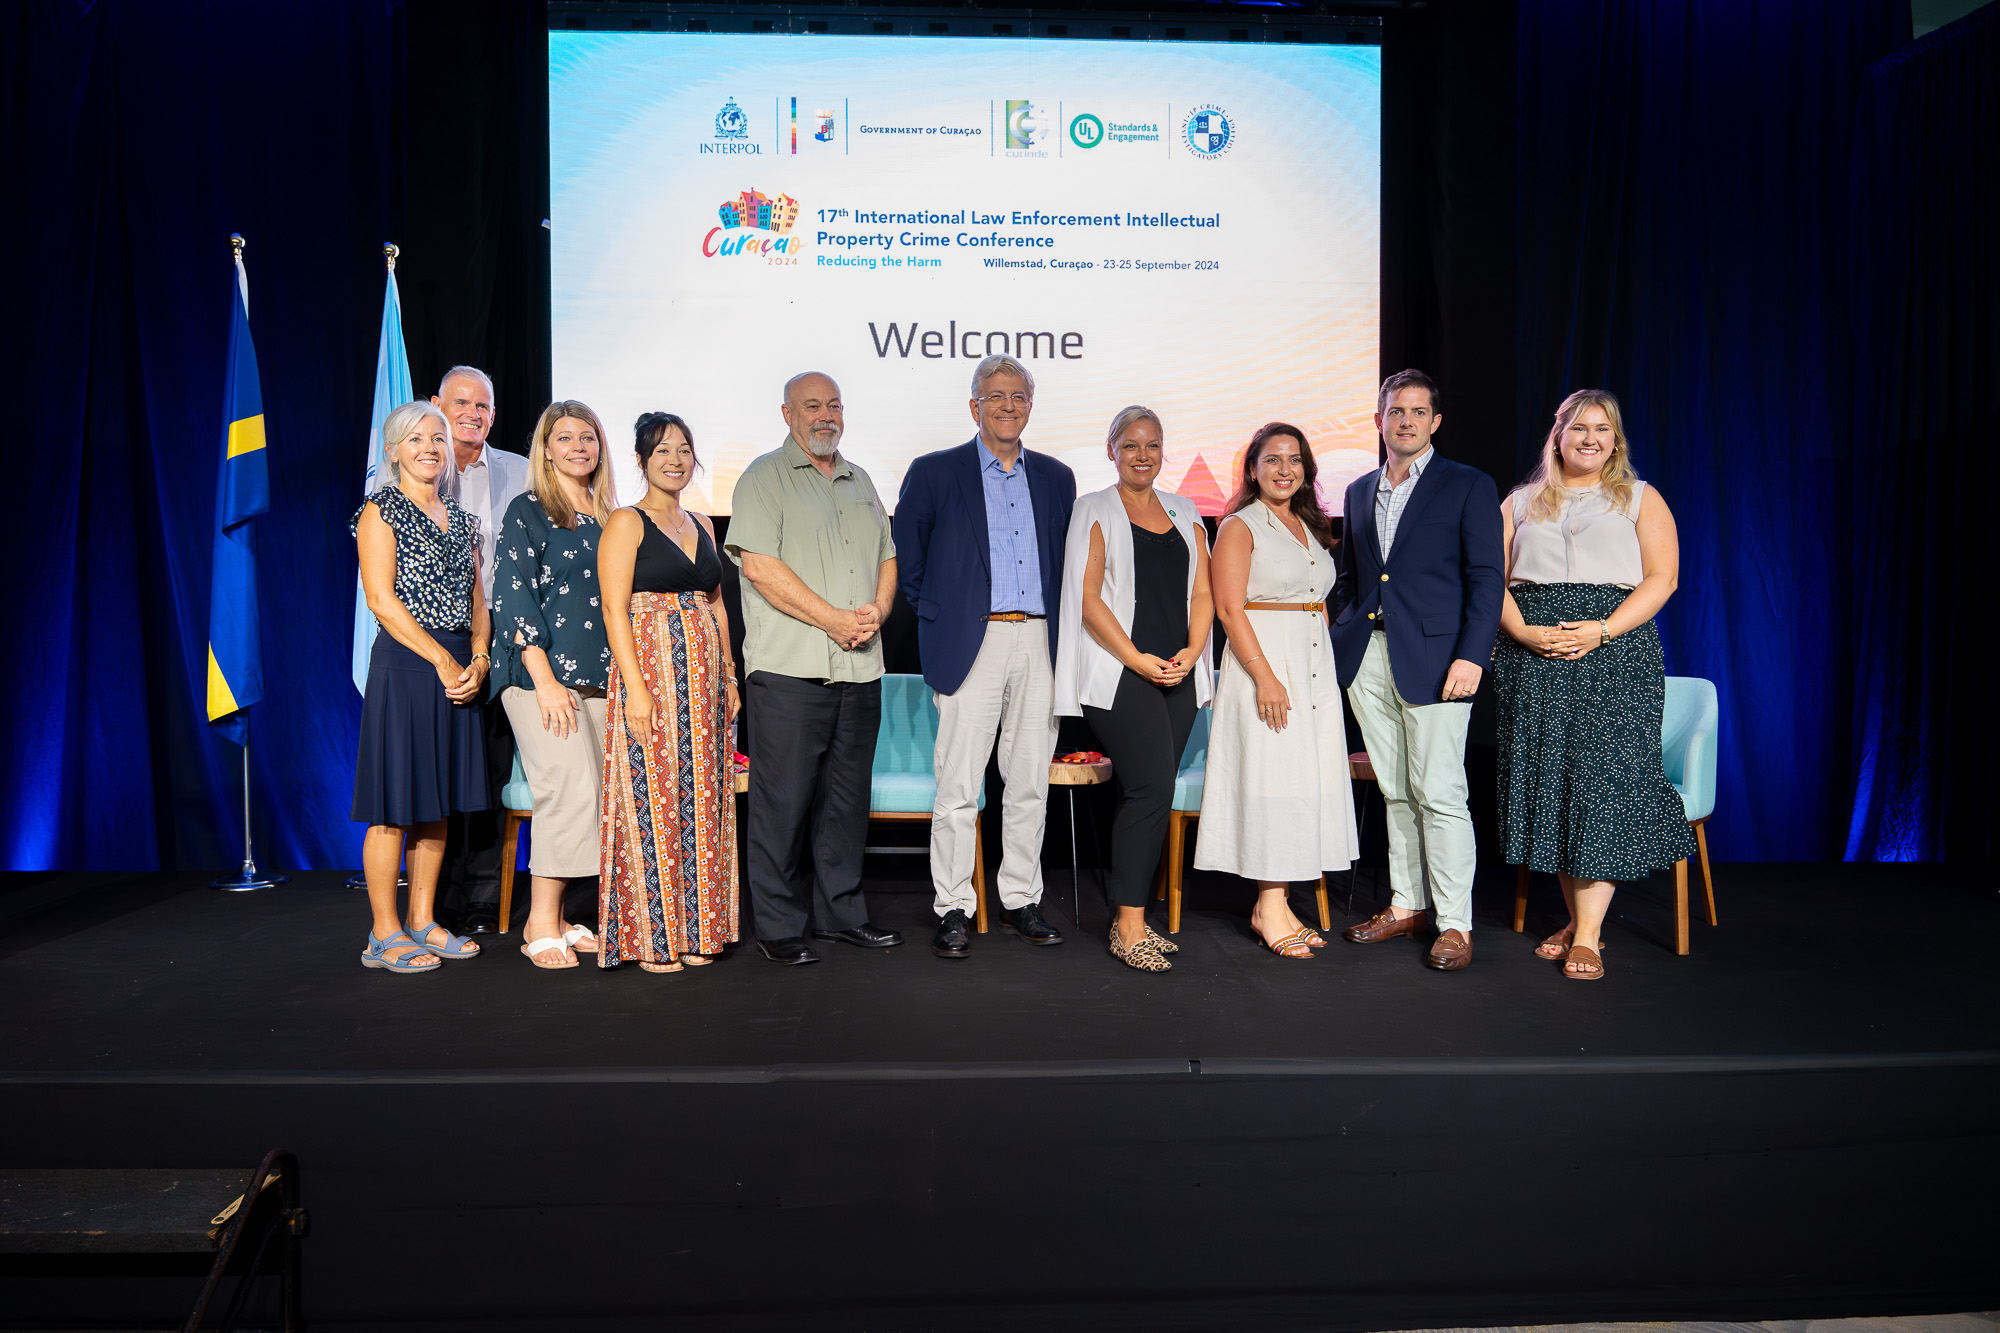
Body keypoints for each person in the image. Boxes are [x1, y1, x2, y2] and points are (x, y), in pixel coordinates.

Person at [1494, 389, 1694, 981]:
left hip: (1616, 653)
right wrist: (1526, 633)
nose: (1590, 438)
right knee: (1555, 783)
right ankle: (1580, 919)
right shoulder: (1520, 502)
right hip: (1533, 655)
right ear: (1557, 435)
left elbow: (1663, 579)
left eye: (1602, 429)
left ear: (1616, 440)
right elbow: (1490, 581)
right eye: (1579, 427)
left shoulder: (1639, 498)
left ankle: (1588, 933)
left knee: (1601, 785)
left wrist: (1602, 630)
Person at [893, 355, 1077, 959]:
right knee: (958, 785)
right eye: (995, 396)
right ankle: (953, 906)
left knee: (1028, 782)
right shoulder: (934, 472)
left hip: (1040, 640)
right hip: (971, 641)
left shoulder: (1056, 477)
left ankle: (1020, 899)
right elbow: (908, 562)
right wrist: (940, 614)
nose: (1007, 406)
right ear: (975, 406)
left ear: (1030, 406)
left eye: (1018, 397)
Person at [724, 372, 902, 965]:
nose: (824, 416)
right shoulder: (762, 478)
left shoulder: (862, 480)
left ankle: (840, 915)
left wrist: (878, 609)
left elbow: (888, 555)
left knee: (847, 804)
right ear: (786, 413)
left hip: (861, 671)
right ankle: (777, 926)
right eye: (811, 406)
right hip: (790, 672)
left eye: (833, 405)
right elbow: (760, 568)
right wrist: (833, 620)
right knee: (783, 803)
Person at [1330, 369, 1503, 971]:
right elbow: (1352, 578)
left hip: (1438, 661)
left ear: (1435, 422)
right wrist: (1342, 637)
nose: (1404, 420)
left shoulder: (1468, 485)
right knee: (1395, 790)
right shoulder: (1355, 491)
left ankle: (1455, 923)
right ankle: (1408, 905)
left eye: (1417, 411)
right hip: (1368, 659)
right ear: (1379, 419)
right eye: (1394, 411)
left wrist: (1472, 655)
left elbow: (1486, 579)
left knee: (1442, 794)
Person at [1055, 406, 1214, 973]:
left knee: (1149, 791)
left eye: (1152, 445)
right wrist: (1138, 661)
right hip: (1120, 672)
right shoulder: (1093, 508)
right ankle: (1129, 924)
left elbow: (1203, 592)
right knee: (1150, 786)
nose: (1142, 455)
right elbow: (1089, 599)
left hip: (1179, 669)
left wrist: (1193, 654)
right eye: (1130, 445)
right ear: (1111, 450)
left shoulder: (1186, 508)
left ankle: (1132, 913)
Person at [1194, 423, 1359, 957]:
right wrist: (1265, 675)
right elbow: (1227, 608)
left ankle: (1280, 902)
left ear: (1307, 469)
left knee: (1301, 781)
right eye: (1272, 460)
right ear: (1253, 469)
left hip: (1311, 664)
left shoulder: (1308, 525)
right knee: (1273, 778)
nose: (1284, 469)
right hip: (1265, 664)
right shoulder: (1240, 526)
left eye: (1294, 459)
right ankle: (1268, 906)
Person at [351, 400, 493, 973]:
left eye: (437, 439)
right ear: (394, 452)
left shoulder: (462, 520)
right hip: (409, 665)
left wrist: (478, 659)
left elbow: (478, 602)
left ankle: (423, 920)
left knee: (437, 805)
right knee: (394, 806)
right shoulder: (379, 512)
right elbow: (380, 600)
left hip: (459, 664)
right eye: (416, 440)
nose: (430, 449)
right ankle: (383, 934)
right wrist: (440, 659)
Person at [597, 412, 742, 973]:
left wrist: (728, 676)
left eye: (684, 450)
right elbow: (614, 609)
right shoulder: (626, 522)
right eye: (662, 451)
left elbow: (715, 604)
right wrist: (635, 688)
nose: (675, 460)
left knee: (701, 797)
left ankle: (698, 931)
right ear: (640, 460)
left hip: (703, 678)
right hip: (652, 673)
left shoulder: (703, 523)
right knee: (651, 799)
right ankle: (652, 939)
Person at [489, 400, 616, 970]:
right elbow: (512, 596)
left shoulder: (613, 516)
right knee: (566, 788)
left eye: (587, 437)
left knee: (592, 797)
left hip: (601, 680)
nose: (578, 447)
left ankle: (563, 917)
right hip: (540, 677)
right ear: (545, 449)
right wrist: (544, 681)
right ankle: (540, 922)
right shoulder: (528, 509)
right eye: (564, 438)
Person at [430, 366, 528, 935]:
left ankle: (487, 897)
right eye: (461, 402)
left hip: (504, 645)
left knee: (492, 771)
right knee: (441, 776)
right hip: (442, 644)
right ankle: (438, 901)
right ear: (437, 404)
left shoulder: (519, 472)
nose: (472, 413)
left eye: (483, 405)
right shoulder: (419, 468)